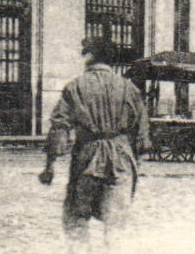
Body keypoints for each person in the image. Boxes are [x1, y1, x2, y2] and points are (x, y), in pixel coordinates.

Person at [39, 36, 150, 248]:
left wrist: (49, 167)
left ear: (89, 57)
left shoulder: (75, 87)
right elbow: (142, 136)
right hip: (122, 160)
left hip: (87, 158)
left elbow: (59, 130)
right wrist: (134, 164)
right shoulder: (129, 89)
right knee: (116, 226)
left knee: (76, 218)